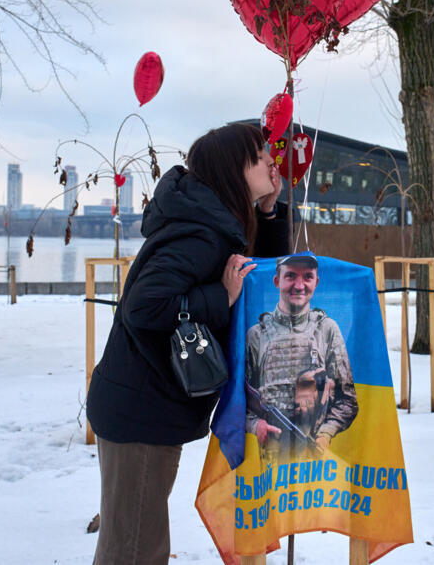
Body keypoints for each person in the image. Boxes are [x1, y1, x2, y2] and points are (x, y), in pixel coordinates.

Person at [85, 122, 289, 564]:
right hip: (139, 412)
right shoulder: (200, 231)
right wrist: (220, 296)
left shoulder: (212, 219)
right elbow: (144, 305)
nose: (272, 160)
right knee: (135, 549)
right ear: (234, 169)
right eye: (261, 156)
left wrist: (270, 214)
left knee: (136, 540)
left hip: (145, 405)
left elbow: (263, 278)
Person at [245, 254, 358, 456]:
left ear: (316, 282)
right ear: (277, 281)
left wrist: (325, 434)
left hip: (314, 458)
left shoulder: (327, 330)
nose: (299, 285)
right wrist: (256, 426)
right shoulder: (256, 335)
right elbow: (235, 401)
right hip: (270, 458)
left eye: (307, 277)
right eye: (290, 276)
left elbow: (347, 400)